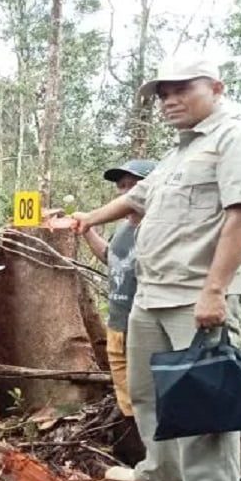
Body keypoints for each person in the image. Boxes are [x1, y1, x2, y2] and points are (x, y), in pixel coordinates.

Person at [70, 58, 241, 481]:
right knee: (147, 391)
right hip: (153, 292)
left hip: (196, 294)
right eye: (163, 94)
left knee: (203, 402)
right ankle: (163, 473)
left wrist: (214, 290)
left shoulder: (239, 139)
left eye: (182, 89)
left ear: (216, 88)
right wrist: (86, 219)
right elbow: (137, 200)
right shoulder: (181, 151)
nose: (169, 101)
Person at [78, 159, 157, 418]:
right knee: (128, 400)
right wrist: (87, 229)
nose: (125, 192)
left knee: (151, 398)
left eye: (133, 185)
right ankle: (135, 437)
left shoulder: (160, 228)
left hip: (146, 326)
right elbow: (111, 257)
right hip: (117, 326)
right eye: (121, 186)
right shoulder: (123, 228)